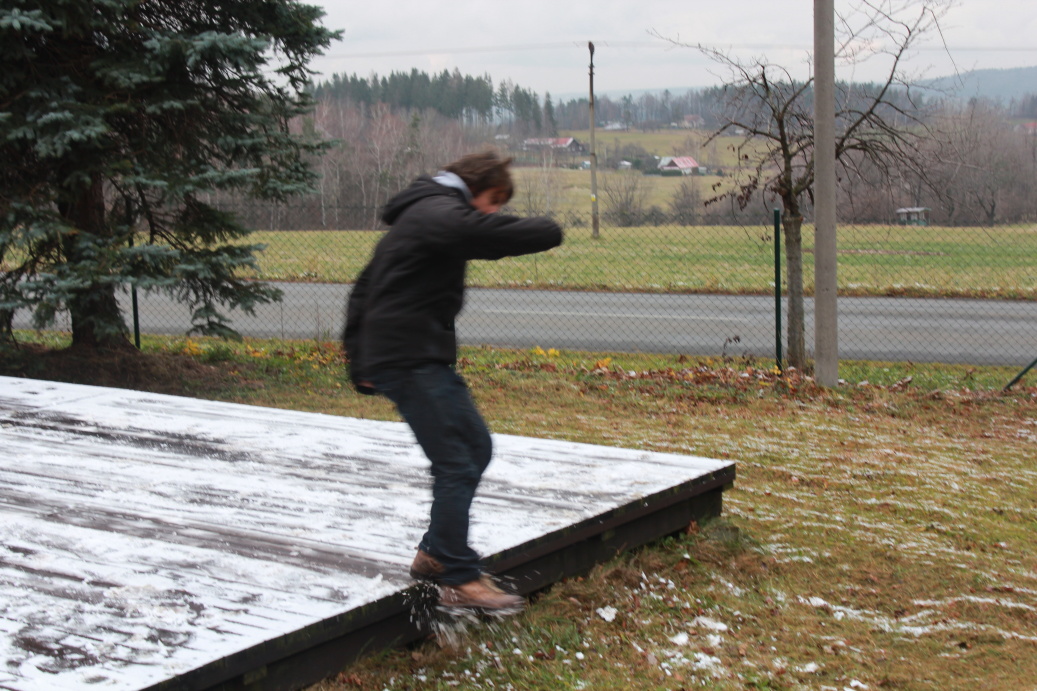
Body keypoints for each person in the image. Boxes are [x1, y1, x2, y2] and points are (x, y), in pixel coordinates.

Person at [343, 151, 563, 612]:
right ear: (476, 187)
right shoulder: (436, 211)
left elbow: (365, 288)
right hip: (407, 356)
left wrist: (359, 355)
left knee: (474, 447)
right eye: (494, 201)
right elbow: (481, 233)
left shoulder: (422, 213)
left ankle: (435, 553)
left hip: (412, 353)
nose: (494, 211)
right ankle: (457, 576)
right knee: (457, 460)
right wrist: (548, 229)